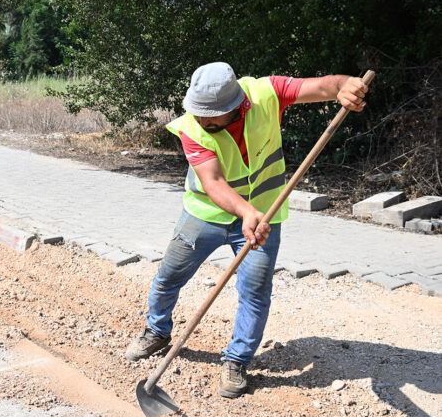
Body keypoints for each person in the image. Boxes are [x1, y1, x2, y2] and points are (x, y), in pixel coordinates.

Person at [125, 62, 368, 398]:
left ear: (236, 106)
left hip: (264, 216)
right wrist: (244, 211)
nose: (202, 121)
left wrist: (344, 86)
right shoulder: (191, 128)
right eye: (197, 112)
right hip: (204, 215)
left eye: (211, 116)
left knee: (255, 292)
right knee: (169, 276)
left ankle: (237, 360)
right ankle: (157, 330)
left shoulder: (267, 93)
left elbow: (325, 86)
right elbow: (213, 181)